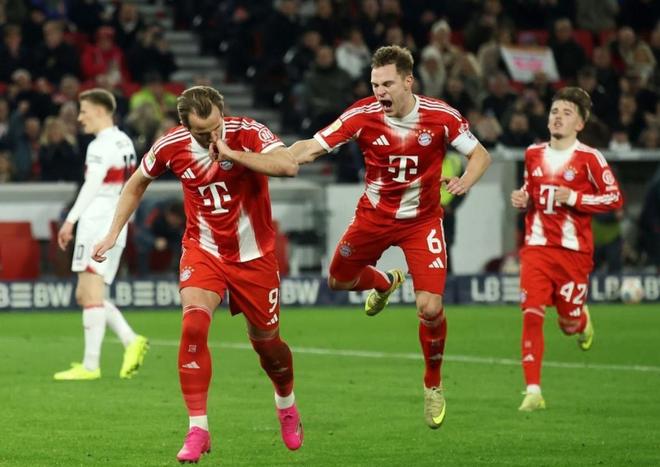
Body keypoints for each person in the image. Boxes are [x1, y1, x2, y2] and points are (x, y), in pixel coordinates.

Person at [92, 86, 303, 463]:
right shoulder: (171, 145)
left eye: (215, 127)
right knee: (192, 325)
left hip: (254, 256)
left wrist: (232, 153)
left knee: (267, 344)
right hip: (204, 250)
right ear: (185, 126)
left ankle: (286, 404)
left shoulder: (248, 132)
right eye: (201, 134)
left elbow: (288, 165)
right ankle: (198, 429)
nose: (211, 137)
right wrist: (112, 233)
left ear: (223, 113)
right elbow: (136, 183)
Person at [289, 45, 492, 429]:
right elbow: (311, 148)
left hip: (422, 222)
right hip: (374, 218)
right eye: (374, 84)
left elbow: (480, 154)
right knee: (338, 280)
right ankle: (384, 282)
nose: (379, 92)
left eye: (387, 84)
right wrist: (279, 158)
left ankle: (432, 384)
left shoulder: (440, 115)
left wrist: (465, 180)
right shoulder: (362, 115)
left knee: (430, 308)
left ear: (408, 81)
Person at [510, 87, 623, 412]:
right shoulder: (533, 153)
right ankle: (533, 391)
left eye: (567, 113)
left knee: (567, 324)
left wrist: (574, 197)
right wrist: (523, 197)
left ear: (580, 124)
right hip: (536, 248)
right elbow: (531, 189)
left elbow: (614, 198)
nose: (558, 117)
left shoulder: (589, 158)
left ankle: (580, 320)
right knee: (532, 313)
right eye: (555, 111)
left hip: (574, 254)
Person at [54, 88, 149, 381]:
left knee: (91, 294)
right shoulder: (124, 141)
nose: (80, 118)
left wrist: (70, 220)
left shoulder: (99, 145)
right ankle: (130, 340)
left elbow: (92, 185)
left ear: (99, 110)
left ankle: (91, 366)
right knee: (86, 294)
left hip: (97, 223)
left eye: (84, 111)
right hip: (116, 223)